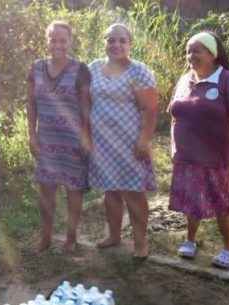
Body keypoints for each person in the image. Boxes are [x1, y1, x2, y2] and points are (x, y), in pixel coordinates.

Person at [168, 31, 229, 269]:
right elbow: (174, 115)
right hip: (186, 156)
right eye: (188, 50)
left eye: (197, 50)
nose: (191, 55)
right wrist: (173, 146)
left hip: (215, 156)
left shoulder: (227, 80)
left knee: (220, 202)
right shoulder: (185, 80)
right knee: (190, 199)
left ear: (212, 54)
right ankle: (190, 240)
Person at [88, 23, 159, 260]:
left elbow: (150, 110)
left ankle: (140, 243)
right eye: (111, 40)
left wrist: (144, 140)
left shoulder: (138, 71)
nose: (116, 45)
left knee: (133, 193)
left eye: (121, 40)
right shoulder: (94, 68)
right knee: (111, 191)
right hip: (103, 143)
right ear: (104, 43)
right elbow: (86, 102)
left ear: (130, 44)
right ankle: (114, 236)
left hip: (130, 143)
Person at [27, 21, 92, 253]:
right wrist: (31, 135)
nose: (58, 44)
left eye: (62, 40)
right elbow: (31, 104)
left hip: (72, 141)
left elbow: (86, 108)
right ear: (47, 41)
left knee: (73, 190)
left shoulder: (80, 69)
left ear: (70, 42)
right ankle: (45, 237)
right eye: (53, 39)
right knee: (46, 191)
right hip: (46, 140)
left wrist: (86, 136)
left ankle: (71, 238)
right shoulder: (36, 68)